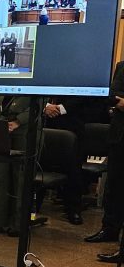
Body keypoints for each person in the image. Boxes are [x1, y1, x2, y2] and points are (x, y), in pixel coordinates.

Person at [87, 61, 124, 263]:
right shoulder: (122, 66)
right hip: (119, 136)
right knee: (114, 187)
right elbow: (113, 97)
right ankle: (109, 229)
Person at [0, 96, 35, 236]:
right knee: (0, 175)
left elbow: (37, 105)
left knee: (20, 177)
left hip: (26, 129)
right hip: (1, 126)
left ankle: (18, 224)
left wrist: (19, 121)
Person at [43, 96, 86, 225]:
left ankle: (73, 209)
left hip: (72, 122)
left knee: (73, 169)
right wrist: (45, 107)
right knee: (40, 163)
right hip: (44, 121)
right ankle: (33, 206)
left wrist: (59, 109)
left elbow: (84, 97)